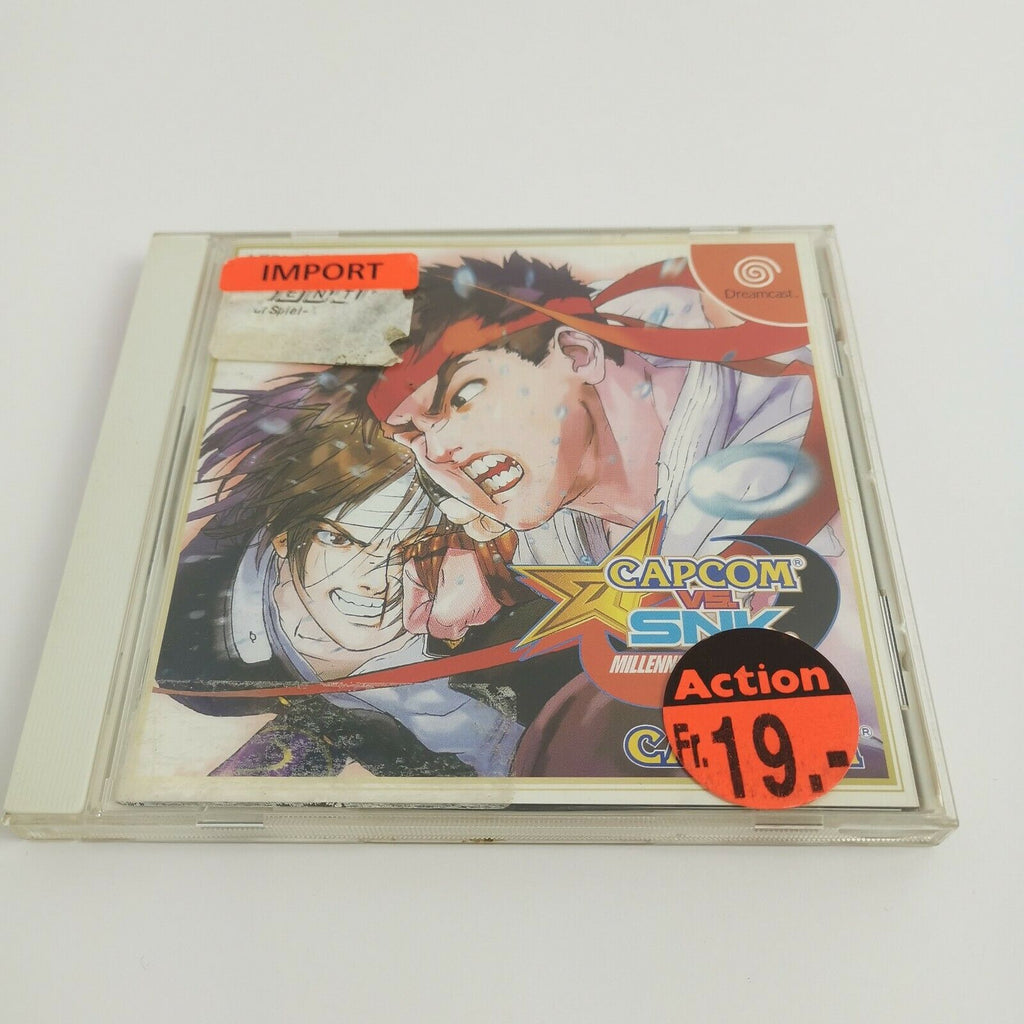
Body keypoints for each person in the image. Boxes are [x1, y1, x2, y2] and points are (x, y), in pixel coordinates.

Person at [157, 367, 523, 777]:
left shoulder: (500, 635)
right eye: (340, 540)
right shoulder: (186, 651)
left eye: (412, 546)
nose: (377, 581)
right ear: (281, 535)